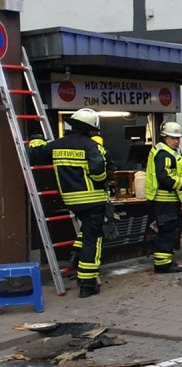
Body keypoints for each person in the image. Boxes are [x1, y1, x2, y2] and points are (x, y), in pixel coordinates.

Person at [30, 108, 109, 298]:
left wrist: (36, 139)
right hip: (93, 200)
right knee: (93, 239)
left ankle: (75, 255)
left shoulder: (57, 145)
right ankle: (87, 284)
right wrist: (101, 179)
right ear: (92, 128)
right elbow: (99, 171)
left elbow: (36, 153)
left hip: (71, 200)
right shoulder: (92, 147)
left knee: (86, 232)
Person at [145, 122, 182, 274]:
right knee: (167, 231)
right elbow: (164, 178)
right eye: (173, 138)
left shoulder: (168, 151)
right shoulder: (164, 154)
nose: (177, 141)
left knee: (172, 229)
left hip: (169, 200)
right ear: (165, 137)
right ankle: (163, 264)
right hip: (164, 199)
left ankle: (166, 260)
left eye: (178, 138)